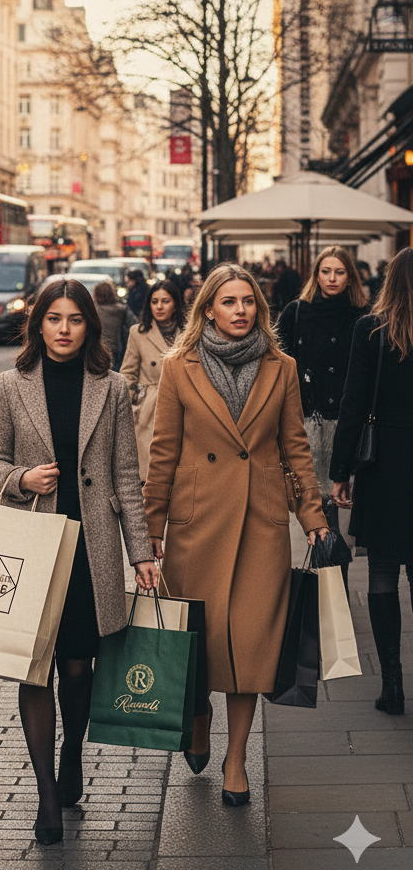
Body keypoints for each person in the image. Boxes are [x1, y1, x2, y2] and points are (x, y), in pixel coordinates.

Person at [144, 264, 328, 807]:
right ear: (208, 310)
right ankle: (199, 718)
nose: (241, 310)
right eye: (229, 302)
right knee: (199, 641)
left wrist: (313, 518)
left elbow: (296, 447)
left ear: (260, 309)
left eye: (249, 301)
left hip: (260, 521)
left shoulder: (282, 367)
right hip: (198, 523)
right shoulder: (179, 367)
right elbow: (164, 451)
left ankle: (237, 757)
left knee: (251, 646)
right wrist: (151, 529)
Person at [0, 278, 155, 845]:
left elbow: (127, 476)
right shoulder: (10, 384)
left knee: (79, 667)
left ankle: (72, 751)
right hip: (33, 546)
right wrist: (20, 478)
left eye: (74, 319)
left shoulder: (112, 387)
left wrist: (143, 554)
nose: (63, 329)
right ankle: (46, 795)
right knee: (36, 668)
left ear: (89, 326)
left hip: (91, 547)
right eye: (53, 318)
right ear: (38, 325)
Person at [330, 248, 413, 716]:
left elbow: (353, 404)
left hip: (383, 464)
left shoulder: (372, 330)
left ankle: (394, 685)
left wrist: (340, 472)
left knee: (381, 574)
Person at [278, 246, 367, 596]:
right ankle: (321, 593)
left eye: (339, 272)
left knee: (342, 516)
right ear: (316, 275)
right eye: (325, 271)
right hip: (306, 426)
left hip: (350, 427)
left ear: (350, 277)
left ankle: (338, 595)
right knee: (313, 511)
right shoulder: (297, 313)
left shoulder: (364, 316)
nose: (331, 278)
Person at [120, 279, 186, 482]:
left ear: (175, 304)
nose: (159, 306)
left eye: (165, 301)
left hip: (183, 405)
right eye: (155, 301)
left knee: (181, 470)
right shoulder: (138, 333)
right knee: (150, 475)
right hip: (148, 410)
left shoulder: (190, 333)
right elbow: (127, 373)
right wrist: (134, 404)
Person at [93, 280, 136, 371]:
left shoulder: (92, 310)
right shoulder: (122, 310)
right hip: (117, 349)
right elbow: (134, 325)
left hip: (95, 348)